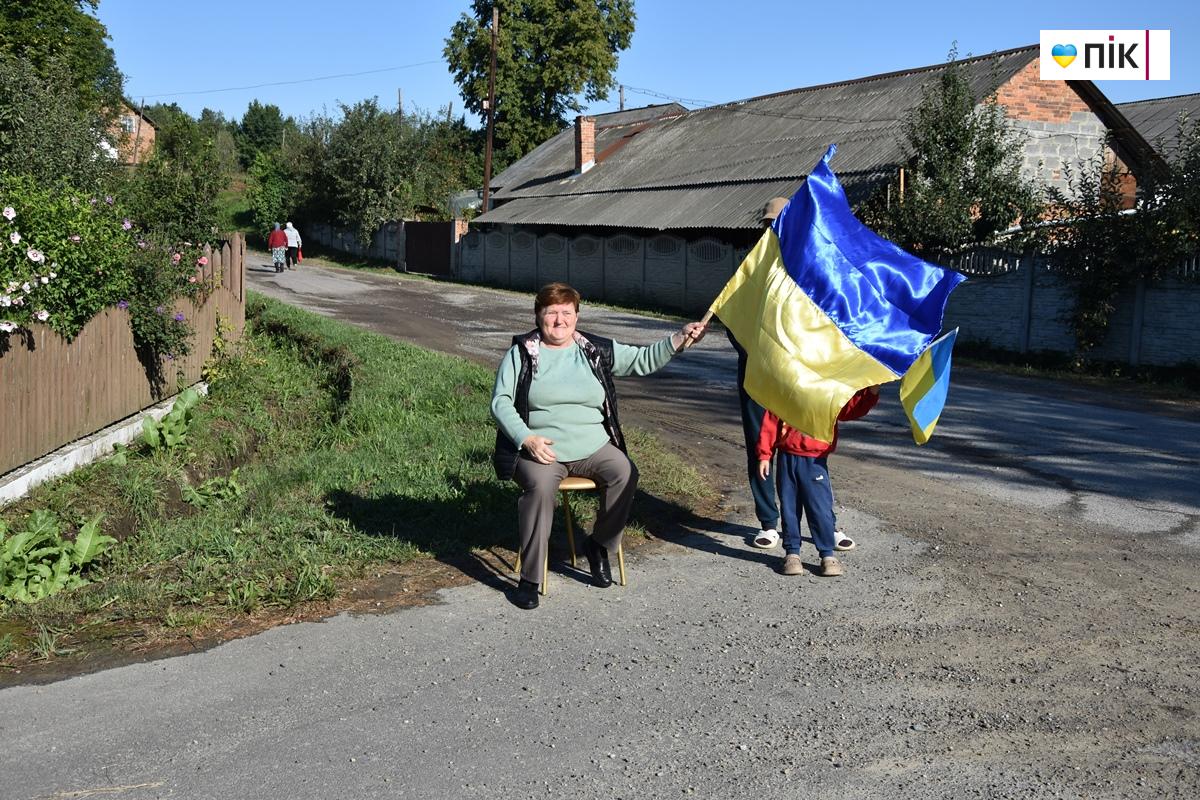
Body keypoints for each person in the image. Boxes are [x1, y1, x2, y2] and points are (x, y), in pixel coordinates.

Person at [491, 282, 706, 610]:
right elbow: (501, 402)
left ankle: (599, 546)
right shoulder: (521, 353)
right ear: (538, 316)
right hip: (541, 450)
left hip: (592, 445)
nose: (559, 320)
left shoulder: (593, 349)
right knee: (539, 489)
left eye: (567, 313)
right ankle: (530, 579)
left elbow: (641, 360)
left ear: (577, 316)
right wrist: (527, 439)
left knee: (624, 471)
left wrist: (678, 338)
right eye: (551, 313)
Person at [728, 196, 857, 553]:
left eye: (781, 223)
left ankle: (824, 524)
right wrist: (760, 354)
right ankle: (769, 522)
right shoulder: (752, 271)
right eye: (770, 224)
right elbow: (734, 321)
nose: (776, 230)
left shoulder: (813, 269)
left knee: (812, 446)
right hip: (760, 373)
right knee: (761, 444)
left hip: (805, 374)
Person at [756, 387, 879, 578]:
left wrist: (871, 393)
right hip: (787, 458)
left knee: (820, 510)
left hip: (815, 461)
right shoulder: (787, 387)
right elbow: (771, 421)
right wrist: (765, 455)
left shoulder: (828, 390)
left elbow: (849, 409)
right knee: (789, 509)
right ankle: (792, 554)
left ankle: (827, 556)